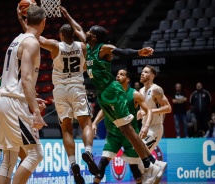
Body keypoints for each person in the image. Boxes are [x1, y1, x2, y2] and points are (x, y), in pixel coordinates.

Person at [60, 6, 165, 184]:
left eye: (89, 31)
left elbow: (122, 51)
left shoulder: (103, 48)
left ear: (94, 36)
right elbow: (77, 29)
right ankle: (153, 163)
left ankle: (151, 165)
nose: (85, 32)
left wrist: (138, 53)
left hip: (112, 91)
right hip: (104, 95)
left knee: (129, 130)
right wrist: (67, 15)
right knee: (125, 129)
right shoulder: (88, 47)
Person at [17, 10, 98, 183]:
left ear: (61, 35)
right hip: (77, 87)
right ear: (73, 34)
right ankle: (89, 151)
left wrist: (23, 21)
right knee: (86, 124)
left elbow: (35, 38)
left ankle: (73, 163)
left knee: (66, 128)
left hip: (60, 90)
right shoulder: (82, 46)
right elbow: (82, 35)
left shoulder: (55, 45)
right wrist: (69, 16)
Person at [0, 5, 47, 184]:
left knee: (9, 158)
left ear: (26, 20)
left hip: (3, 100)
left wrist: (30, 97)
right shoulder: (31, 42)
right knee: (35, 154)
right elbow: (25, 79)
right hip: (14, 104)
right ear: (43, 22)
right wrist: (36, 112)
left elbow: (17, 79)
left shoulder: (17, 39)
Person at [92, 69, 153, 184]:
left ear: (128, 79)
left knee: (134, 168)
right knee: (103, 162)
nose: (118, 76)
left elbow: (149, 110)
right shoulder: (111, 92)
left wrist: (145, 126)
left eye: (121, 74)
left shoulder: (134, 94)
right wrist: (94, 123)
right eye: (117, 74)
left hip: (130, 136)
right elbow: (104, 110)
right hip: (113, 134)